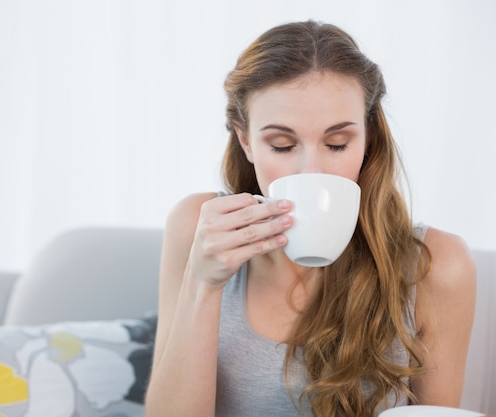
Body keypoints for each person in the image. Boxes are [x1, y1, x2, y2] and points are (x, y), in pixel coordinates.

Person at [144, 20, 476, 417]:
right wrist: (204, 282)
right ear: (246, 140)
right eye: (282, 145)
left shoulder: (436, 265)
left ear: (368, 137)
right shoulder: (197, 228)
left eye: (337, 143)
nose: (311, 171)